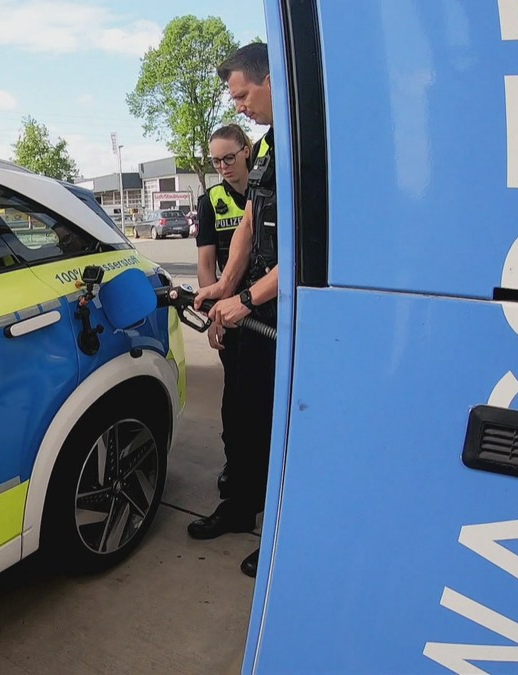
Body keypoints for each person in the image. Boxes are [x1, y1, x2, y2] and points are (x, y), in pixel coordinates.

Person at [193, 42, 280, 578]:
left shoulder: (308, 145)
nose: (240, 105)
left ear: (272, 80)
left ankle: (275, 530)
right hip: (251, 313)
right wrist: (223, 287)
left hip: (281, 317)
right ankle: (237, 505)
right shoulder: (269, 148)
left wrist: (244, 300)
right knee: (240, 418)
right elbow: (249, 222)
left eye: (244, 95)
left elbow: (304, 251)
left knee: (276, 426)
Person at [187, 123, 256, 544]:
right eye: (216, 161)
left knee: (265, 408)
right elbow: (205, 265)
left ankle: (258, 485)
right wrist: (214, 313)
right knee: (236, 405)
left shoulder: (270, 188)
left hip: (268, 311)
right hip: (232, 315)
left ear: (247, 152)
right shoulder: (211, 200)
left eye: (230, 157)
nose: (223, 167)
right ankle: (238, 474)